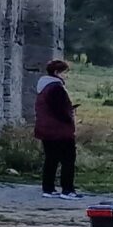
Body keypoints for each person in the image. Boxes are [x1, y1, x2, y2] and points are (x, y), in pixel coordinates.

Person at [34, 58, 80, 198]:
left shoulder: (44, 87)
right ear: (56, 72)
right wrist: (70, 114)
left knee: (51, 159)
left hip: (46, 128)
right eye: (64, 72)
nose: (66, 76)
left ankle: (48, 188)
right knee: (68, 159)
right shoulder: (56, 88)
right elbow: (60, 110)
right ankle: (67, 190)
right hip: (59, 130)